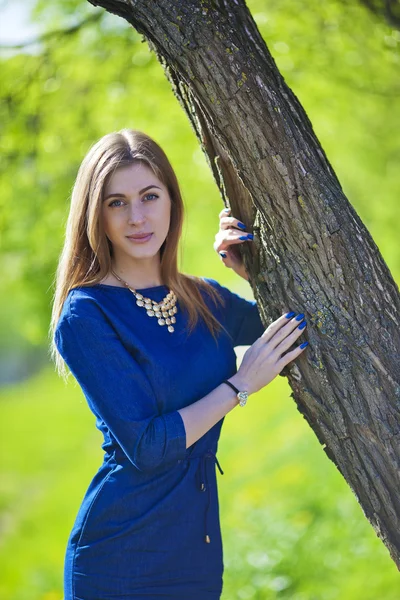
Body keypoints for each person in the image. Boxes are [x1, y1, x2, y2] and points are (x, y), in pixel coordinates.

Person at [50, 128, 309, 600]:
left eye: (150, 196)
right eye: (116, 203)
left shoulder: (202, 296)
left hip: (198, 550)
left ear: (172, 200)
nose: (137, 217)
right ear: (96, 215)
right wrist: (240, 384)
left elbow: (295, 331)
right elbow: (148, 446)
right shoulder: (86, 314)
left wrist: (252, 272)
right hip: (120, 560)